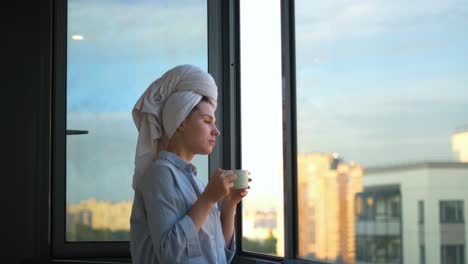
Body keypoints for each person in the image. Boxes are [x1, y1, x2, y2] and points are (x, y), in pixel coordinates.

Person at [130, 64, 249, 264]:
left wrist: (229, 204)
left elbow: (221, 255)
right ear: (181, 122)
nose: (216, 131)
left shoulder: (198, 183)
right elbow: (170, 254)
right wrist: (209, 199)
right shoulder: (159, 175)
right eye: (207, 120)